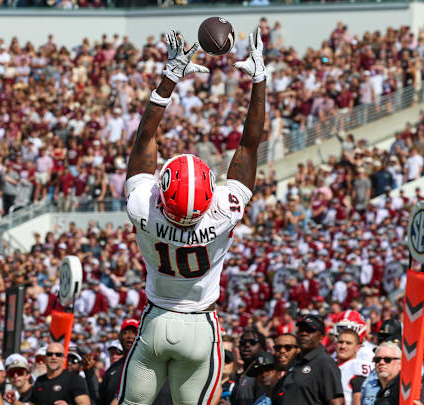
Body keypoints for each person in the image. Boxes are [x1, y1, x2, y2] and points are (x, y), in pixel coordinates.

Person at [119, 26, 266, 405]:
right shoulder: (222, 215)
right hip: (201, 326)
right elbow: (248, 147)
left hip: (154, 321)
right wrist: (259, 81)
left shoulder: (143, 208)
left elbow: (144, 141)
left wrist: (170, 77)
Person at [272, 315, 344, 405]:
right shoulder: (295, 362)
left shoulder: (324, 362)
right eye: (301, 330)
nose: (304, 333)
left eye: (310, 330)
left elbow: (337, 402)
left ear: (321, 337)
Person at [6, 343, 90, 405]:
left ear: (64, 358)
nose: (53, 357)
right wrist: (14, 402)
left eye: (58, 354)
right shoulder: (39, 381)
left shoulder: (75, 379)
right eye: (50, 354)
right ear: (45, 358)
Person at [231, 328, 267, 405]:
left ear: (263, 346)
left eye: (252, 342)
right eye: (243, 343)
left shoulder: (265, 372)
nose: (247, 345)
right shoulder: (244, 372)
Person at [335, 329, 372, 405]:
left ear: (357, 347)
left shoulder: (356, 366)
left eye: (348, 343)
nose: (343, 346)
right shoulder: (330, 364)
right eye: (340, 342)